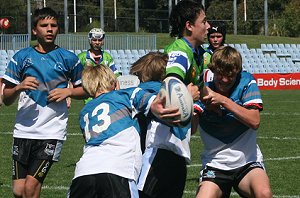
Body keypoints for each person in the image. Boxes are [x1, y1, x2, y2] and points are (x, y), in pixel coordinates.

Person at [1, 7, 87, 198]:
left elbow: (86, 89)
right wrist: (18, 87)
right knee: (18, 191)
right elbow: (6, 99)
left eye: (54, 25)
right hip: (23, 130)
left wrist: (69, 91)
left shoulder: (69, 59)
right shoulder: (21, 58)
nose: (50, 29)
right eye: (44, 25)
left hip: (51, 132)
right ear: (34, 30)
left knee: (31, 188)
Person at [67, 64, 181, 198]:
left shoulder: (84, 111)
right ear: (114, 82)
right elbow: (153, 102)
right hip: (118, 169)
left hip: (82, 173)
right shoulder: (126, 94)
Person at [194, 46, 272, 198]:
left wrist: (223, 101)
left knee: (264, 193)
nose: (224, 80)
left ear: (238, 72)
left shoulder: (246, 82)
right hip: (215, 165)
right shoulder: (204, 90)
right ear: (213, 71)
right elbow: (191, 129)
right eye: (220, 74)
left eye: (230, 75)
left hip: (248, 162)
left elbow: (255, 121)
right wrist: (190, 107)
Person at [130, 52, 198, 198]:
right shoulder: (180, 93)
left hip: (157, 153)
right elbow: (192, 129)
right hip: (180, 158)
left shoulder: (148, 89)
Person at [164, 0, 210, 101]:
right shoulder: (180, 51)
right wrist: (187, 96)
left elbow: (201, 90)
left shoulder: (198, 52)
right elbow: (170, 88)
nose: (208, 26)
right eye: (204, 22)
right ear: (189, 26)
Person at [77, 28, 120, 104]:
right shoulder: (82, 57)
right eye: (94, 40)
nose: (97, 42)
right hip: (89, 97)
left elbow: (115, 76)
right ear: (90, 40)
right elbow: (72, 78)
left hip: (106, 96)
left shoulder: (107, 57)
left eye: (99, 40)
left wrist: (118, 93)